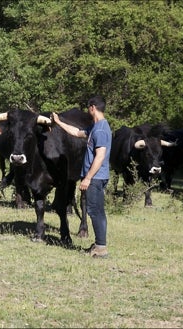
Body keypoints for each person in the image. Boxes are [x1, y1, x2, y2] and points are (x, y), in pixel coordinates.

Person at [50, 95, 112, 258]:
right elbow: (77, 132)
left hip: (96, 178)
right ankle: (99, 245)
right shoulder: (96, 127)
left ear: (92, 108)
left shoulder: (100, 129)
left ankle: (101, 248)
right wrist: (59, 122)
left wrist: (87, 178)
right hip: (97, 177)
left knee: (95, 211)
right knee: (96, 210)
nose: (87, 111)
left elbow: (100, 156)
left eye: (88, 108)